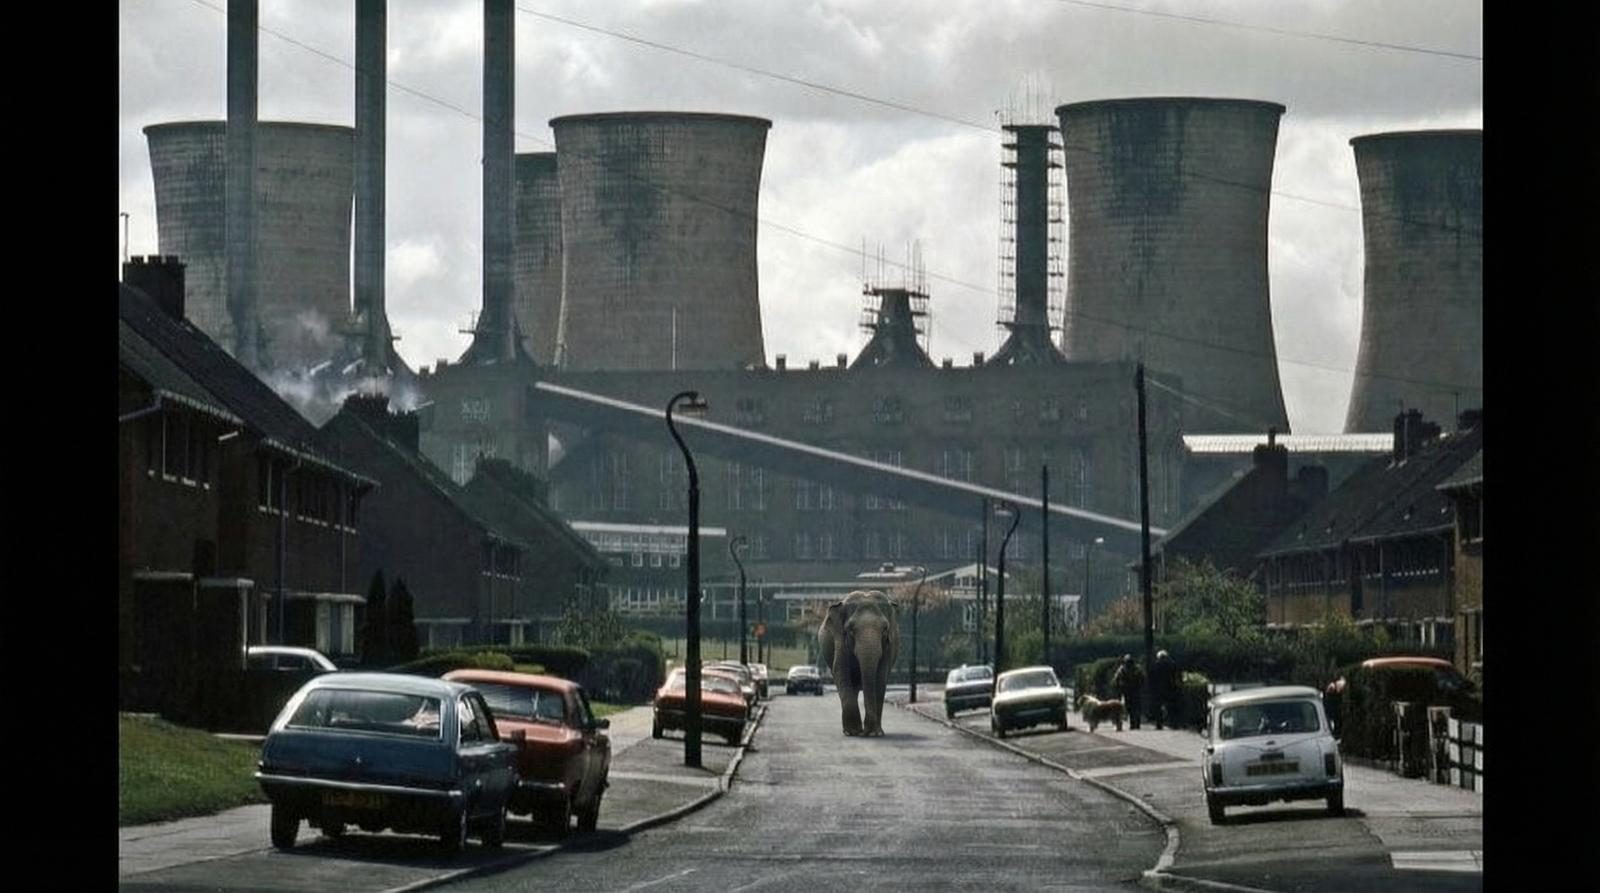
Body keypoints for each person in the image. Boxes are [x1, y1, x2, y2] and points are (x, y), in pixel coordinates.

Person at [1113, 654, 1145, 730]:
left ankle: (1133, 723)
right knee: (1136, 707)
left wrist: (1118, 688)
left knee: (1130, 707)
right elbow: (1143, 678)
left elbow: (1116, 679)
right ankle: (1137, 723)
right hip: (1135, 690)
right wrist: (1141, 686)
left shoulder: (1122, 669)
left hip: (1127, 690)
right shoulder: (1137, 668)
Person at [1150, 649, 1180, 730]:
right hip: (1170, 687)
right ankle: (1173, 723)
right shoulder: (1172, 664)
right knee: (1171, 706)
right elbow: (1176, 676)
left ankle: (1159, 724)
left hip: (1158, 689)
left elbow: (1151, 678)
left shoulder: (1155, 665)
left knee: (1158, 707)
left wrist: (1152, 688)